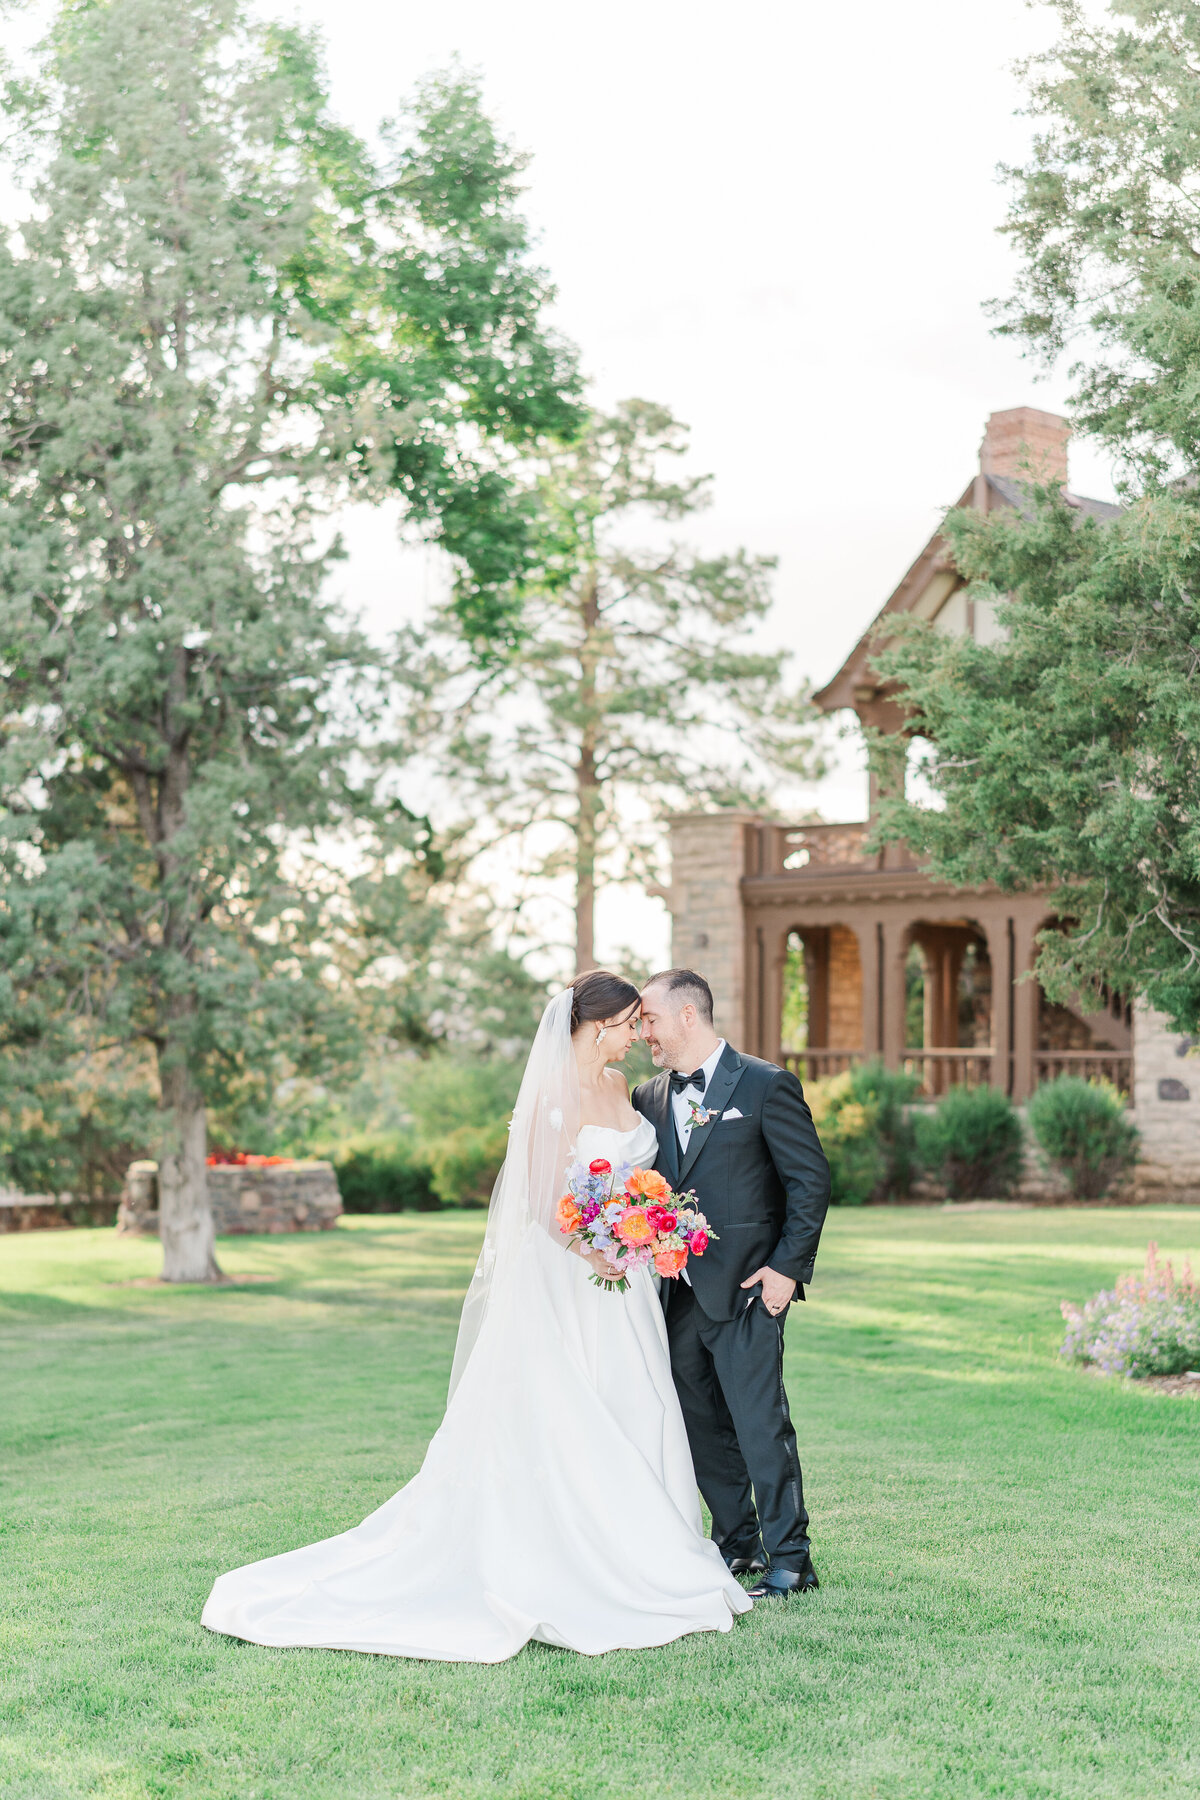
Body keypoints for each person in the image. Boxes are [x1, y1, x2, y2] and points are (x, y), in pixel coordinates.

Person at [201, 972, 749, 1662]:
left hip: (627, 1284)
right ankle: (576, 1558)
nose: (638, 1036)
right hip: (570, 1278)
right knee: (571, 1409)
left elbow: (641, 1179)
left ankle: (653, 1551)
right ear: (599, 1025)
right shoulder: (550, 1096)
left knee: (639, 1400)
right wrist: (595, 1247)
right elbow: (542, 1198)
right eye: (630, 1023)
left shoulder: (621, 1089)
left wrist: (646, 1228)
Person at [633, 968, 830, 1599]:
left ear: (688, 1015)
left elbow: (809, 1182)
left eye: (650, 1020)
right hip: (676, 1292)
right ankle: (737, 1542)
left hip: (749, 1286)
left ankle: (792, 1559)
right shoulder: (647, 1097)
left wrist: (786, 1269)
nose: (644, 1033)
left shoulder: (766, 1085)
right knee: (699, 1422)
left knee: (759, 1422)